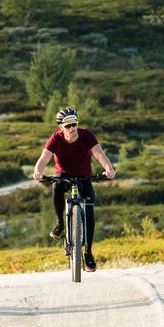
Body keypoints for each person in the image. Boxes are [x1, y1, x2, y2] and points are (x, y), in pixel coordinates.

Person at [31, 106, 116, 271]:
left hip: (84, 177)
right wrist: (37, 172)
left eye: (74, 124)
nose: (72, 128)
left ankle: (88, 254)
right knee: (56, 186)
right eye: (67, 125)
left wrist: (109, 169)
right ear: (60, 127)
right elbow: (43, 158)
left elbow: (100, 154)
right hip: (64, 176)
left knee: (90, 212)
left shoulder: (87, 136)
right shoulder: (55, 139)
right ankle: (60, 224)